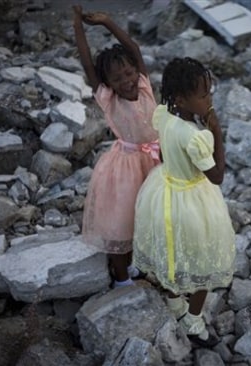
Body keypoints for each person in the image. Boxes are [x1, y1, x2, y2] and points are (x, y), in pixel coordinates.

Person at [132, 57, 235, 347]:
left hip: (165, 190)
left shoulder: (164, 115)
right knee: (201, 260)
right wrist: (216, 131)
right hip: (194, 201)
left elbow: (164, 156)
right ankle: (193, 319)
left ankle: (175, 301)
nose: (209, 99)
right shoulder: (196, 136)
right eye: (204, 95)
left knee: (172, 249)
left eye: (209, 92)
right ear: (182, 98)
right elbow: (216, 176)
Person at [73, 6, 160, 288]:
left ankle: (134, 265)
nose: (127, 81)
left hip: (155, 162)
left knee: (144, 217)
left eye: (128, 73)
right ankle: (121, 279)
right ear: (107, 85)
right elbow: (87, 64)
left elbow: (132, 47)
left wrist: (108, 22)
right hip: (126, 167)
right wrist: (78, 25)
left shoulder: (145, 86)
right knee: (121, 220)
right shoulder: (110, 100)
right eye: (118, 79)